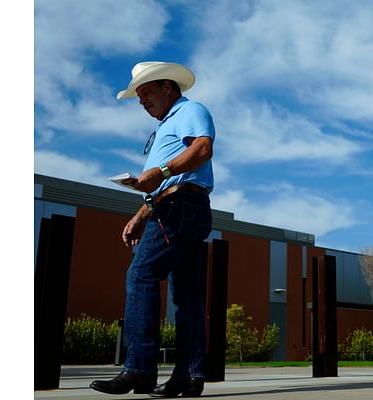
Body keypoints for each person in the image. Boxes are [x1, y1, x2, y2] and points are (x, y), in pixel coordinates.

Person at [90, 61, 215, 397]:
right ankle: (189, 376)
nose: (142, 101)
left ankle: (139, 369)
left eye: (146, 92)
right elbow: (167, 183)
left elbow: (202, 149)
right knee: (187, 297)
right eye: (138, 96)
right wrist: (140, 215)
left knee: (141, 275)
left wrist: (158, 172)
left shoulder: (189, 110)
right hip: (179, 206)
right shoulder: (166, 128)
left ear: (168, 88)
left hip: (181, 208)